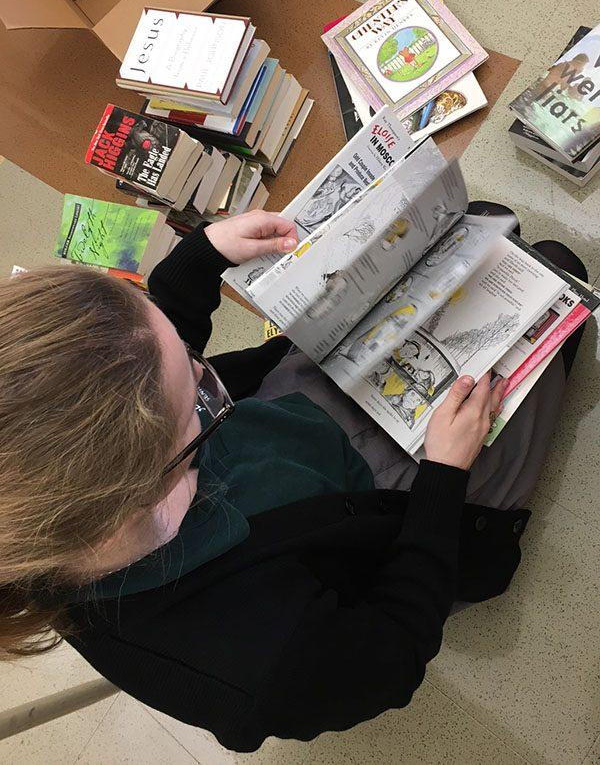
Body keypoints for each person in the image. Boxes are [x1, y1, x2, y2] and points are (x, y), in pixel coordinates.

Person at [0, 205, 587, 752]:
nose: (207, 370)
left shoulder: (82, 488)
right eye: (198, 398)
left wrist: (201, 258)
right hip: (408, 513)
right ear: (139, 496)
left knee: (483, 228)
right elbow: (394, 653)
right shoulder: (259, 670)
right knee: (558, 272)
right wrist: (443, 476)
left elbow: (141, 371)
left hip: (295, 427)